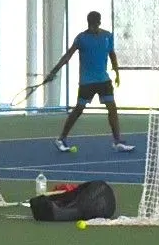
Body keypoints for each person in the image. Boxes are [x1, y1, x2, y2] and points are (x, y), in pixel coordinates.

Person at [39, 9, 133, 154]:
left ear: (99, 22)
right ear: (89, 23)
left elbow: (112, 54)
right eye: (92, 23)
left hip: (103, 80)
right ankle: (61, 139)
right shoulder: (81, 38)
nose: (94, 26)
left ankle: (117, 141)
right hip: (87, 82)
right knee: (79, 109)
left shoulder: (107, 36)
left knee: (112, 108)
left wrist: (117, 72)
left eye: (96, 23)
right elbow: (68, 56)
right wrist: (53, 72)